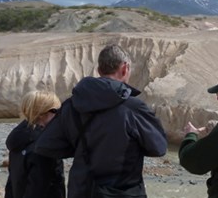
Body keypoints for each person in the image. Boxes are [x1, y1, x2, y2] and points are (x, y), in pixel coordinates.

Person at [35, 44, 167, 198]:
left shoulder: (71, 105)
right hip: (123, 192)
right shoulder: (132, 108)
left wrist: (80, 149)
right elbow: (159, 147)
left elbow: (46, 145)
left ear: (99, 71)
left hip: (81, 190)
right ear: (125, 68)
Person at [5, 90, 65, 198]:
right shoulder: (45, 146)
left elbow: (11, 183)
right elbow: (39, 187)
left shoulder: (18, 139)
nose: (59, 116)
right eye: (56, 111)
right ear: (42, 114)